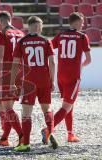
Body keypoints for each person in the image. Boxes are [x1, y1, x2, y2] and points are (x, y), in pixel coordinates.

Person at [42, 12, 91, 143]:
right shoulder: (82, 36)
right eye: (82, 22)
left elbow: (48, 47)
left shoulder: (61, 35)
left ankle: (70, 134)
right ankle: (48, 130)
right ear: (77, 22)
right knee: (66, 106)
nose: (83, 24)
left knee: (69, 104)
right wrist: (80, 66)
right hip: (73, 76)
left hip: (61, 75)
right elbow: (88, 59)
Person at [10, 16, 57, 152]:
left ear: (29, 26)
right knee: (47, 109)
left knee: (26, 114)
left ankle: (26, 144)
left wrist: (13, 82)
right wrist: (52, 80)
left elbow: (15, 64)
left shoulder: (22, 42)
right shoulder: (45, 41)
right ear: (39, 27)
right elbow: (52, 63)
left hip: (29, 81)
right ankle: (50, 132)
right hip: (44, 80)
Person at [0, 11, 24, 146]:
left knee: (7, 107)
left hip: (7, 72)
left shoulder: (1, 33)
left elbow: (0, 54)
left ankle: (22, 136)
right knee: (9, 107)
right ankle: (4, 138)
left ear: (1, 21)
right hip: (20, 71)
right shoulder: (21, 33)